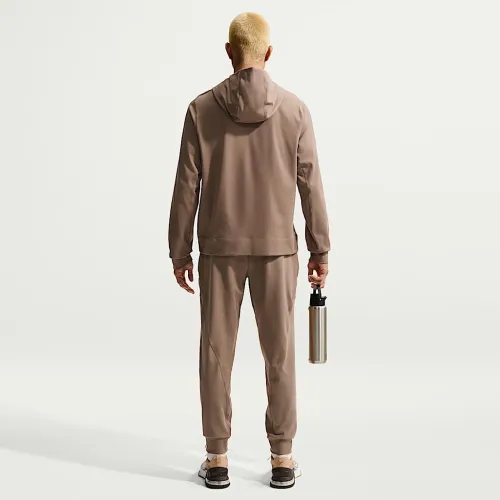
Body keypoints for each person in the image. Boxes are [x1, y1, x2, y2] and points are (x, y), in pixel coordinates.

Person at [168, 12, 330, 490]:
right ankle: (282, 458)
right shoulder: (295, 110)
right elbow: (311, 184)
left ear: (228, 52)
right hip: (278, 251)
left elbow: (186, 187)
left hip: (219, 250)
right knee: (280, 353)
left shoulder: (201, 110)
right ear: (269, 53)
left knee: (215, 352)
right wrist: (320, 248)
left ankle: (217, 458)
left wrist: (179, 250)